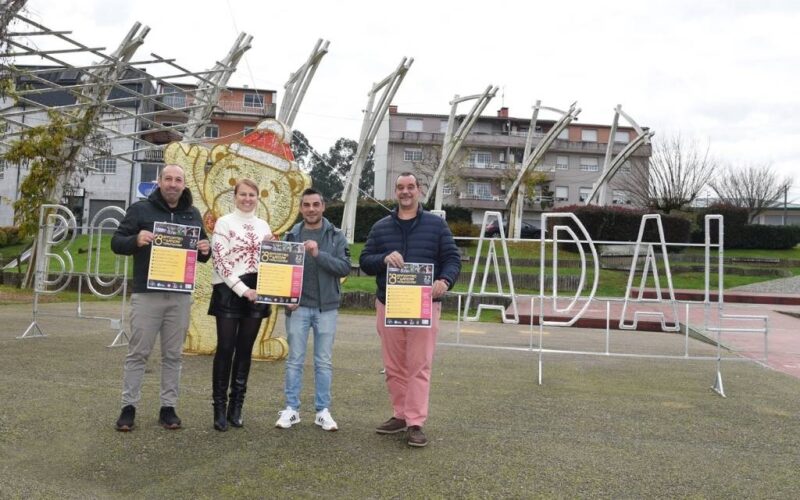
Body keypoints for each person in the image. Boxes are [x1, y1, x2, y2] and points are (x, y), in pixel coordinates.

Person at [359, 172, 461, 447]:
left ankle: (415, 422)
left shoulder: (436, 225)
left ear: (419, 190)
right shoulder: (380, 227)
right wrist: (383, 259)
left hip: (424, 305)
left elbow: (452, 258)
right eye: (401, 188)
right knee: (394, 366)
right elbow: (365, 260)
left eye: (411, 187)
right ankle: (400, 414)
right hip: (389, 303)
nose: (405, 192)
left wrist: (444, 280)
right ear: (396, 192)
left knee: (419, 365)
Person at [111, 164, 211, 431]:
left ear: (184, 184)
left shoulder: (193, 214)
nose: (173, 184)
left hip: (179, 296)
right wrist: (135, 239)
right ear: (159, 182)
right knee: (138, 353)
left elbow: (203, 253)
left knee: (173, 355)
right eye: (168, 179)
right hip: (147, 294)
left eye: (178, 180)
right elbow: (116, 242)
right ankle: (128, 406)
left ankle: (168, 407)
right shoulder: (140, 209)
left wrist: (205, 248)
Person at [275, 188, 351, 431]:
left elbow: (344, 267)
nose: (311, 209)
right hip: (297, 308)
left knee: (323, 362)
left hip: (326, 308)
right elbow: (281, 273)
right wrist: (286, 298)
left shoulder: (336, 235)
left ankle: (322, 410)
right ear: (301, 208)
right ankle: (291, 409)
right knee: (294, 361)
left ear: (323, 207)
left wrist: (319, 254)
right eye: (306, 205)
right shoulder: (291, 235)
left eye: (315, 204)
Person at [207, 179, 272, 431]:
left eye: (252, 195)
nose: (247, 199)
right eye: (242, 194)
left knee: (245, 350)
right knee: (225, 348)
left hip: (257, 292)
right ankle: (219, 408)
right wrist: (244, 290)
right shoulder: (224, 222)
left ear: (258, 198)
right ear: (234, 196)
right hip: (229, 291)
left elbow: (269, 261)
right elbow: (221, 263)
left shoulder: (263, 225)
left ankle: (237, 407)